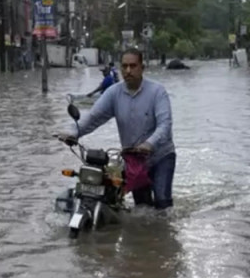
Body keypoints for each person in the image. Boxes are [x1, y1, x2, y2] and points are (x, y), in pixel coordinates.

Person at [59, 48, 176, 209]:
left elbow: (165, 124)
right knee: (142, 208)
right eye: (125, 66)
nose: (128, 70)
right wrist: (73, 132)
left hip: (161, 156)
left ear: (142, 67)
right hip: (134, 159)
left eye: (133, 66)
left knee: (162, 202)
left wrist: (149, 144)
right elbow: (93, 117)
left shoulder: (157, 92)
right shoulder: (113, 93)